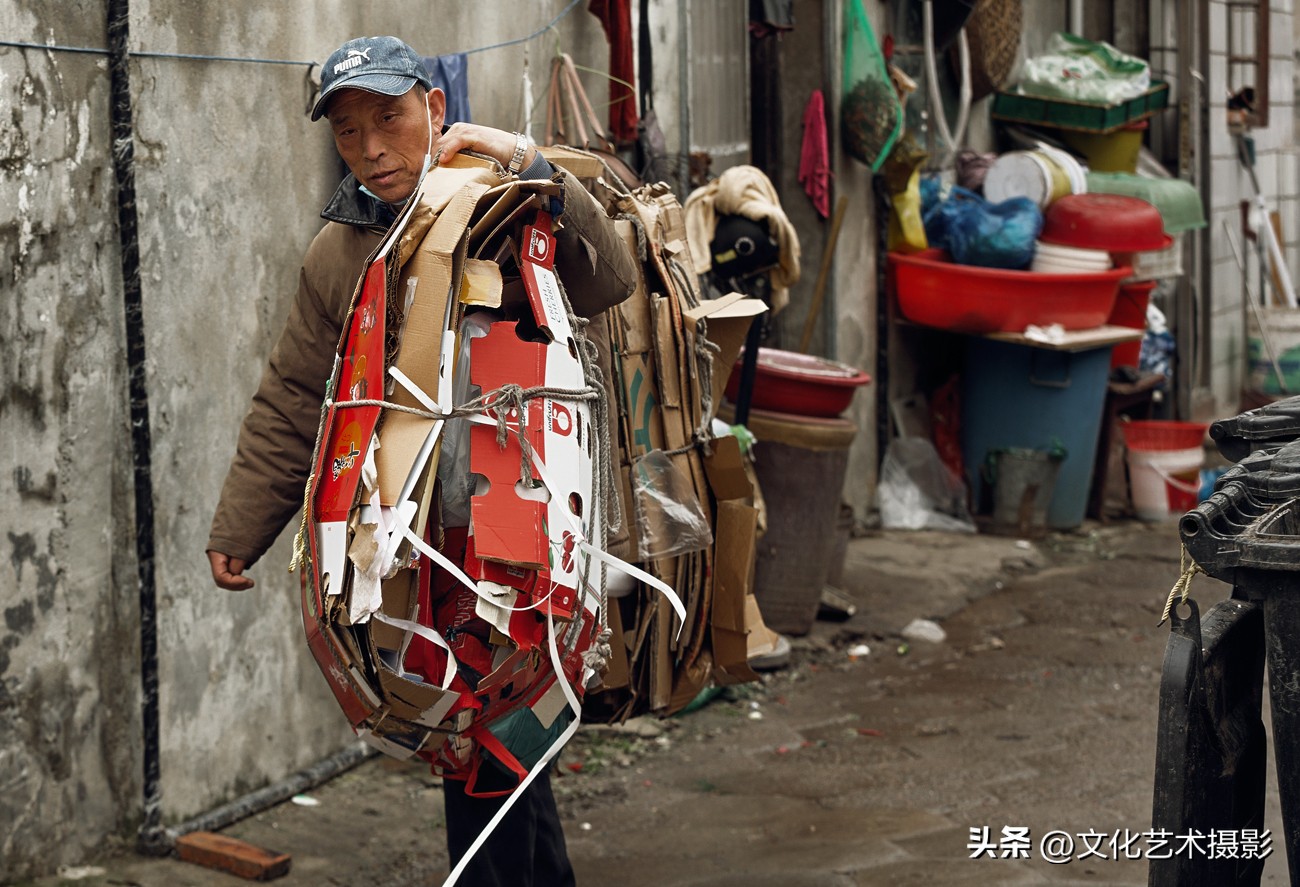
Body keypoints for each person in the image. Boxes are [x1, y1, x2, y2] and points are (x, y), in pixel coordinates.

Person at [206, 35, 636, 885]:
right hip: (417, 545)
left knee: (489, 730)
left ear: (434, 110)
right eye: (348, 132)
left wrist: (529, 160)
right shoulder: (341, 251)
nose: (371, 149)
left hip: (520, 527)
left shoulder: (500, 204)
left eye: (390, 118)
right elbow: (298, 392)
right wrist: (241, 525)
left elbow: (607, 281)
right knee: (490, 735)